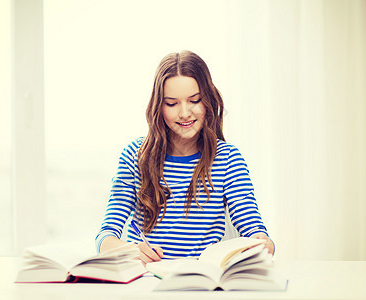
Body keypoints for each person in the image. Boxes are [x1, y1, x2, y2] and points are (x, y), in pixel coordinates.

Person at [95, 50, 274, 264]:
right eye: (171, 103)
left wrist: (262, 243)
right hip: (144, 282)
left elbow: (253, 228)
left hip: (201, 281)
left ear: (208, 101)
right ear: (158, 107)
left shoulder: (228, 159)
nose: (184, 113)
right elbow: (105, 237)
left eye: (194, 100)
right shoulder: (134, 156)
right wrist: (127, 249)